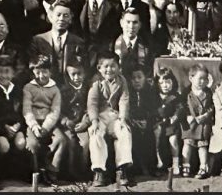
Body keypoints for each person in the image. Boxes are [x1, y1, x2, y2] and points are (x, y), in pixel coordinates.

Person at [87, 53, 135, 187]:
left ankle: (122, 169)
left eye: (113, 66)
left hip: (115, 116)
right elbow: (92, 103)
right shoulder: (96, 82)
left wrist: (123, 118)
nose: (109, 70)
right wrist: (94, 120)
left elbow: (124, 100)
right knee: (95, 134)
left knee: (124, 131)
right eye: (106, 66)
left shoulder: (122, 80)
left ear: (119, 67)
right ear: (99, 68)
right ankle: (99, 170)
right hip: (101, 116)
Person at [22, 56, 66, 183]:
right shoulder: (28, 88)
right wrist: (34, 126)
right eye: (38, 72)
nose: (41, 75)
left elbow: (55, 111)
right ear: (33, 73)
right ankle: (36, 174)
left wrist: (46, 127)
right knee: (32, 144)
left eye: (45, 72)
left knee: (61, 140)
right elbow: (27, 109)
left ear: (50, 72)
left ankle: (52, 171)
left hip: (49, 123)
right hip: (33, 123)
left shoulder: (55, 89)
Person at [0, 55, 24, 185]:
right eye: (0, 72)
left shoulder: (18, 90)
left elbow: (22, 111)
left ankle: (17, 173)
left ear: (13, 73)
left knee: (21, 143)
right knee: (4, 145)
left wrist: (18, 125)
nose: (3, 76)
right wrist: (4, 127)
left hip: (16, 126)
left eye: (7, 72)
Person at [29, 2, 87, 78]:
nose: (61, 19)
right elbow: (31, 66)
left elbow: (84, 68)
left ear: (70, 19)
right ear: (51, 17)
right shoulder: (38, 40)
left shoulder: (78, 42)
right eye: (58, 15)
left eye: (65, 16)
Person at [180, 64, 215, 179]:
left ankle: (203, 166)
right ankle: (186, 165)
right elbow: (181, 106)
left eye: (205, 79)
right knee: (187, 143)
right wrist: (188, 116)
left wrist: (207, 114)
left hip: (203, 123)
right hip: (190, 123)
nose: (202, 82)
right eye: (200, 78)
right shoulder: (186, 92)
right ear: (191, 78)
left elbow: (212, 106)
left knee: (202, 145)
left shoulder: (208, 92)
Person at [59, 63, 91, 181]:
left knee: (85, 142)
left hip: (82, 124)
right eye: (73, 74)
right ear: (68, 75)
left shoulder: (88, 89)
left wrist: (85, 121)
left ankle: (83, 172)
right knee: (71, 142)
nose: (76, 77)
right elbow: (58, 110)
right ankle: (71, 173)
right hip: (68, 125)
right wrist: (65, 120)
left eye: (79, 74)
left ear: (84, 74)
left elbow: (91, 107)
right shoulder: (63, 90)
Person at [126, 65, 159, 178]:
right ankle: (135, 168)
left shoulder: (150, 91)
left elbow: (153, 108)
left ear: (145, 78)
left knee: (150, 137)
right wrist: (133, 121)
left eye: (139, 77)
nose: (136, 80)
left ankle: (151, 167)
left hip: (147, 121)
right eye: (133, 78)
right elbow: (127, 109)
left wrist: (148, 121)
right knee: (133, 137)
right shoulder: (128, 92)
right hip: (133, 122)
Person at [153, 68, 185, 175]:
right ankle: (157, 158)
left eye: (168, 82)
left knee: (173, 139)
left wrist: (175, 116)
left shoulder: (175, 96)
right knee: (156, 134)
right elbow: (151, 109)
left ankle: (175, 162)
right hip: (158, 123)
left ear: (173, 82)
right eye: (161, 83)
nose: (165, 85)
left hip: (171, 123)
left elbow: (180, 108)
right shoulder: (155, 97)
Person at [113, 8, 154, 79]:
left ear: (140, 25)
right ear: (121, 23)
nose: (131, 26)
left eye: (135, 22)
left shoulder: (147, 47)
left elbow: (149, 72)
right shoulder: (112, 45)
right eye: (128, 22)